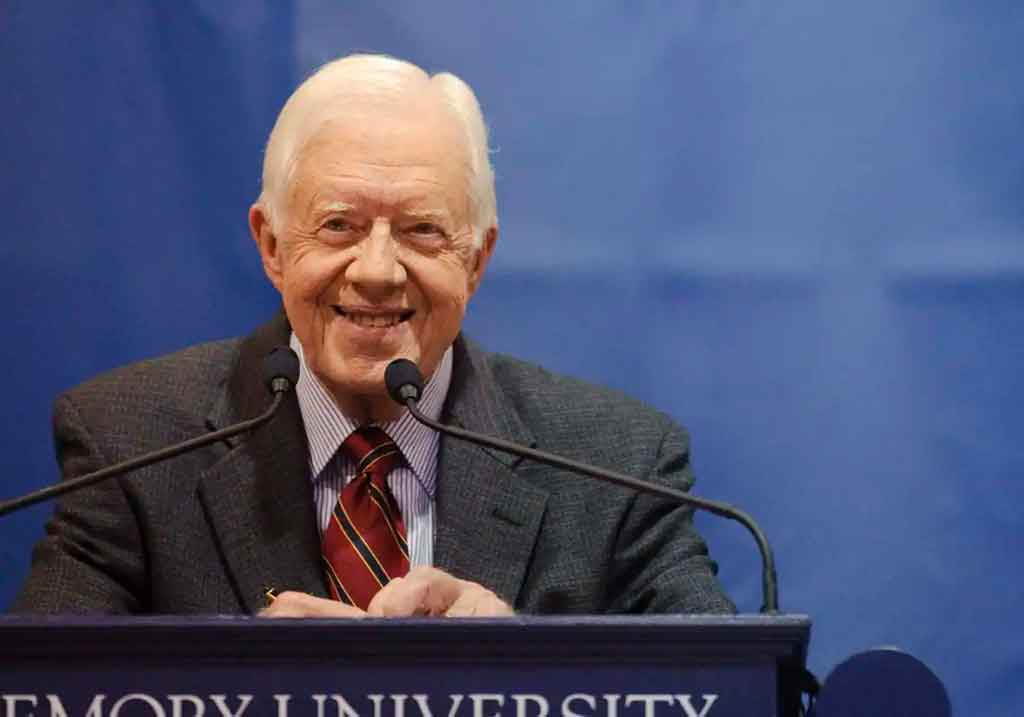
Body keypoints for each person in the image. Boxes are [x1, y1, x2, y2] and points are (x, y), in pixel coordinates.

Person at [12, 54, 734, 617]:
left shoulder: (615, 466)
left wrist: (520, 675)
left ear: (477, 259)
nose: (379, 271)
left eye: (422, 230)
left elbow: (728, 693)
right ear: (271, 246)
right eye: (338, 226)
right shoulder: (131, 449)